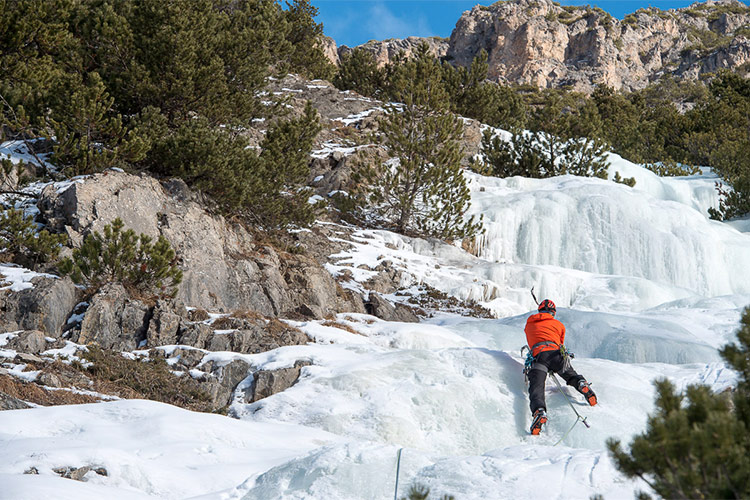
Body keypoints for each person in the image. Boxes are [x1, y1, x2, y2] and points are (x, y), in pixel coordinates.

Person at [525, 299, 597, 435]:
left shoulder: (529, 323)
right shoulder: (559, 325)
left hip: (539, 356)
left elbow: (530, 339)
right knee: (570, 374)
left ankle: (539, 411)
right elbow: (560, 343)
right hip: (556, 355)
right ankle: (581, 384)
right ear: (553, 312)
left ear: (540, 310)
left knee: (536, 387)